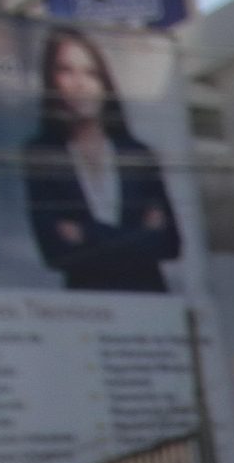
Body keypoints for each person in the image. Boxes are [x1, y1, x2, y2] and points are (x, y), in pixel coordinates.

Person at [22, 27, 180, 293]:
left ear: (104, 82)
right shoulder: (42, 154)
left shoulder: (137, 154)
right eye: (66, 71)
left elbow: (169, 244)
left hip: (150, 304)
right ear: (52, 79)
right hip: (91, 311)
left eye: (91, 73)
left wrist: (86, 234)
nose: (80, 84)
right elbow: (55, 253)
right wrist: (138, 238)